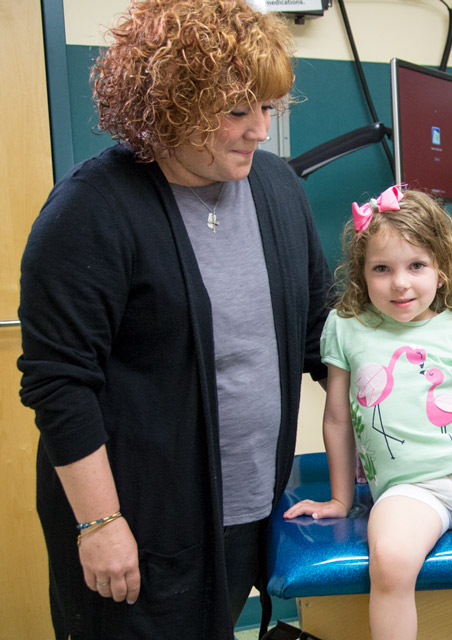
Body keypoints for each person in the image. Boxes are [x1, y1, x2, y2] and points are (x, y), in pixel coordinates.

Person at [17, 1, 335, 638]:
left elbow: (320, 338)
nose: (260, 131)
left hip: (250, 511)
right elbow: (60, 386)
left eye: (267, 108)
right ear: (171, 106)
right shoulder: (89, 212)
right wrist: (100, 525)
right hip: (135, 525)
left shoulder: (277, 189)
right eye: (237, 112)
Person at [283, 185, 452, 640]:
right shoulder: (347, 329)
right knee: (390, 561)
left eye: (416, 265)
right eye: (382, 269)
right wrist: (340, 499)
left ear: (441, 269)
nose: (400, 283)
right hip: (416, 490)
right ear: (362, 275)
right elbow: (337, 418)